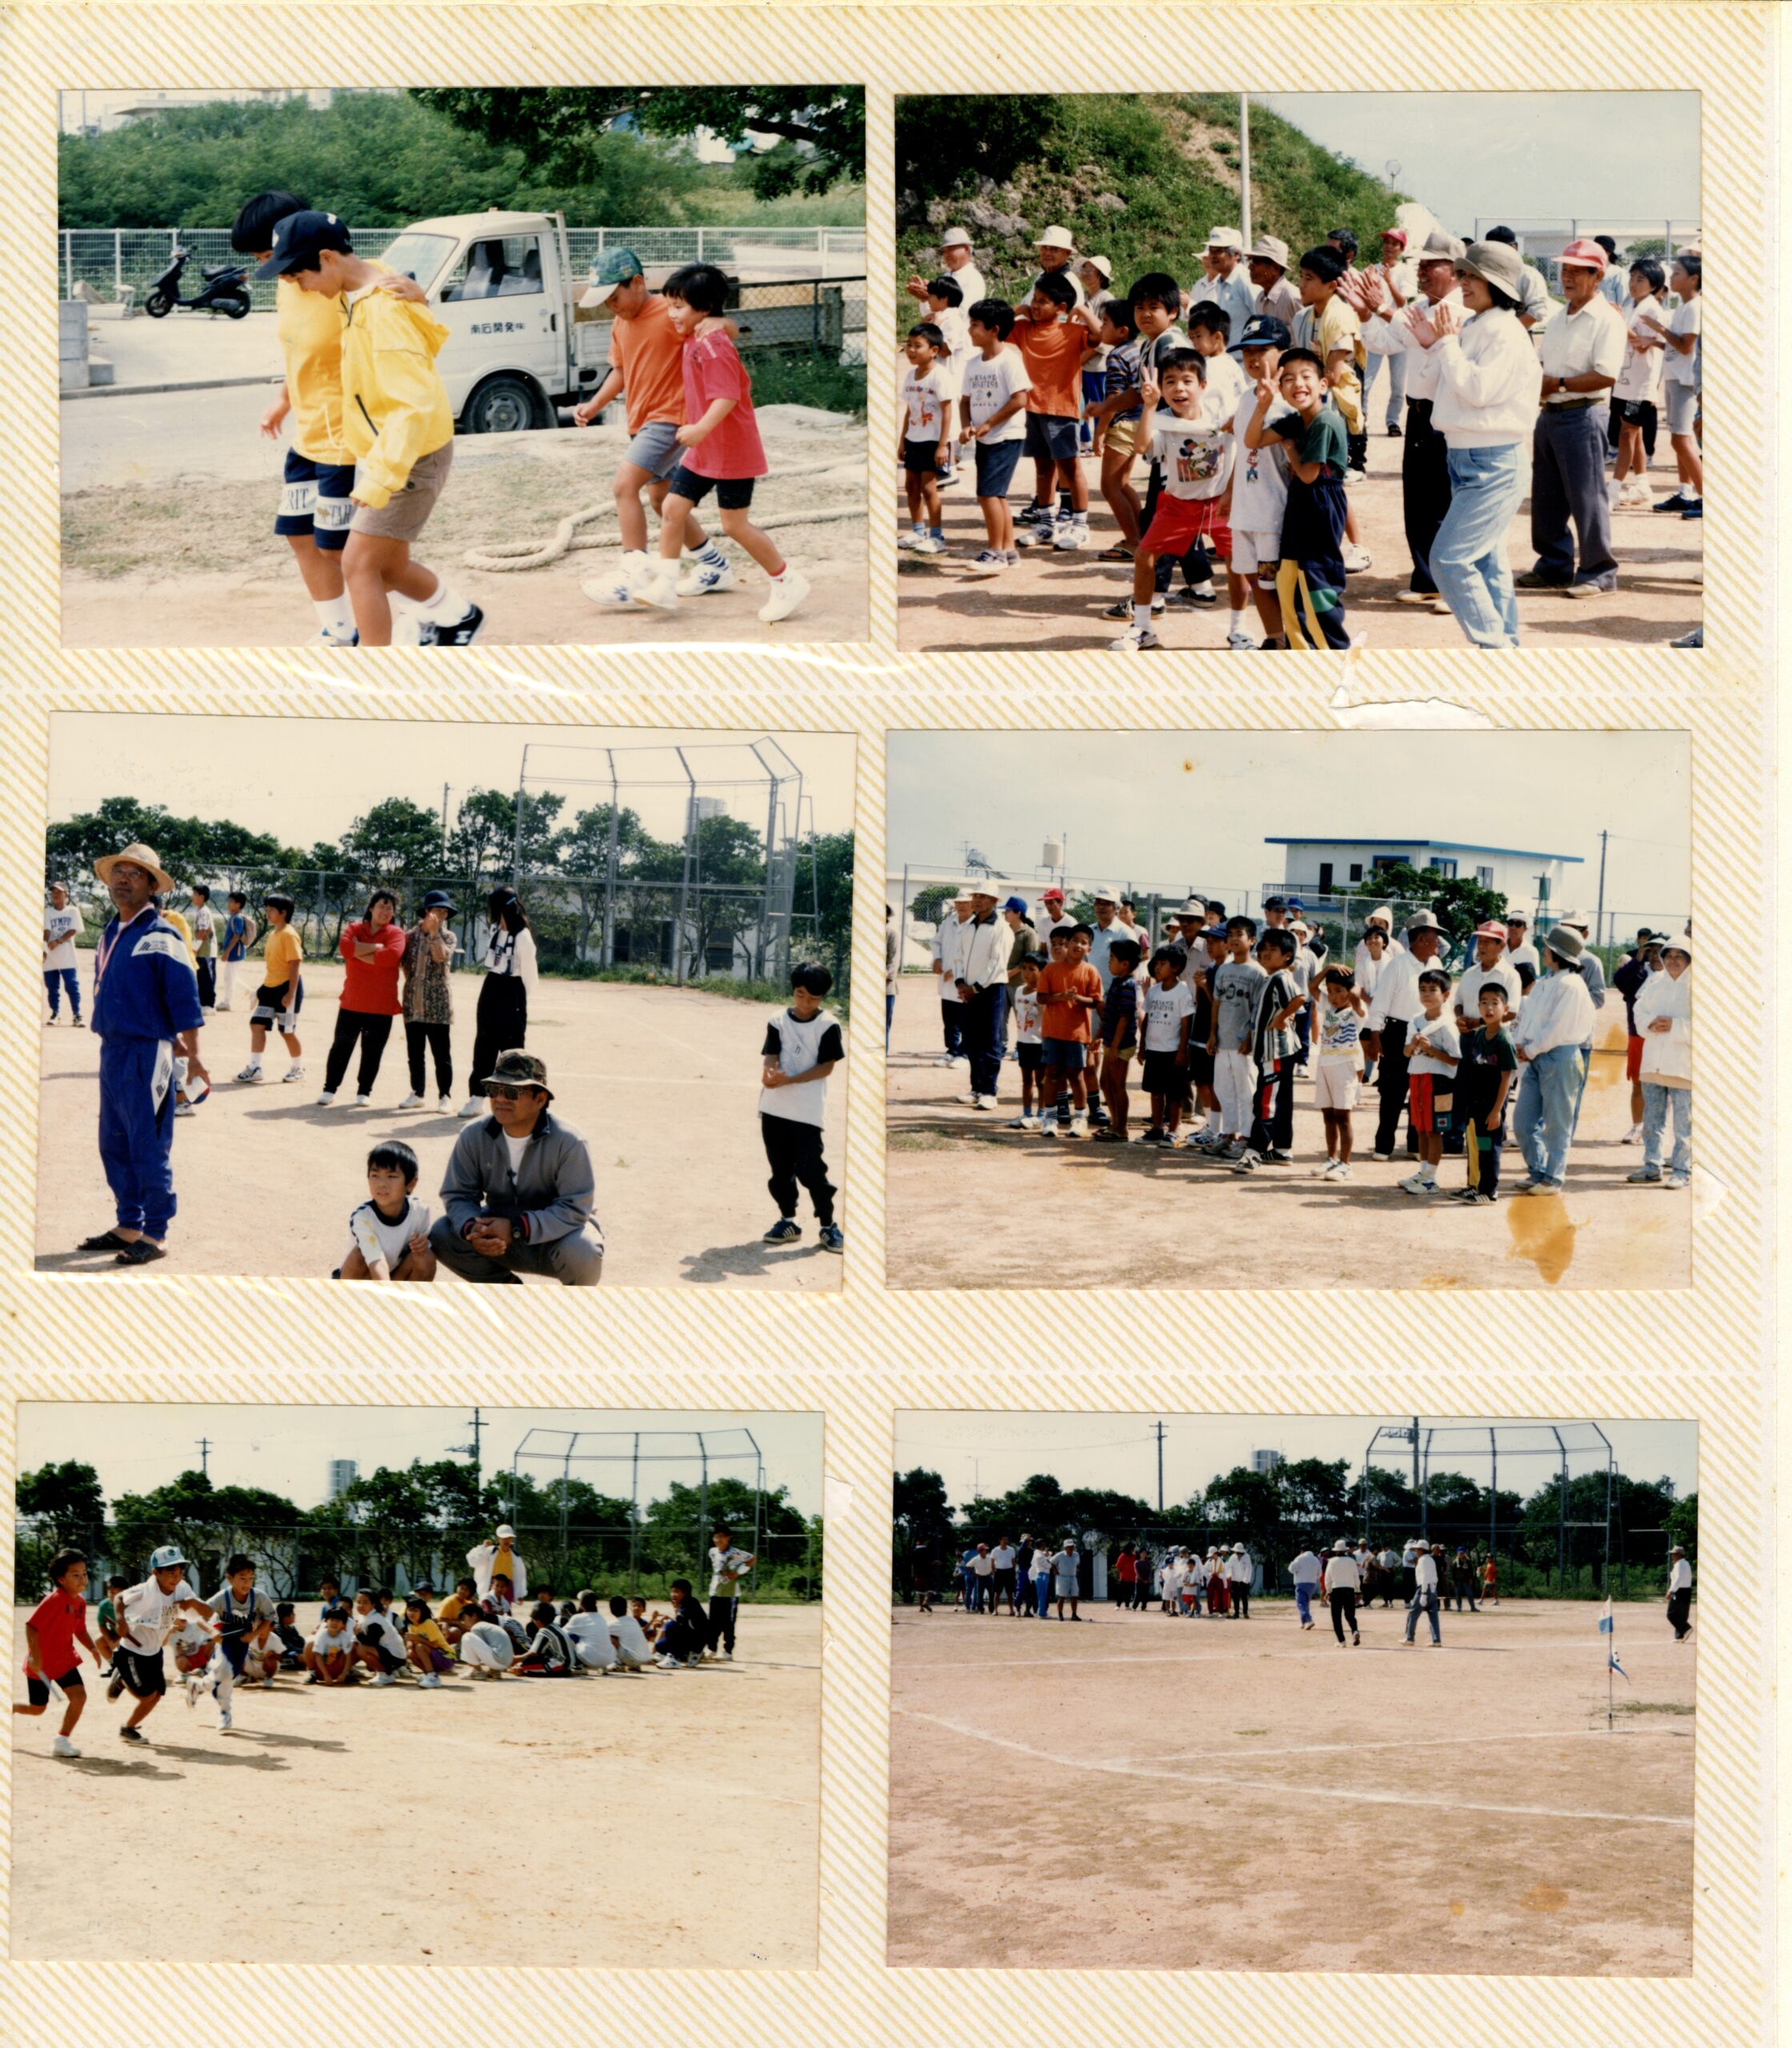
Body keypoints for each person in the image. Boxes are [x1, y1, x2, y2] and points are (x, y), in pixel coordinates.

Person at [258, 209, 482, 646]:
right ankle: (459, 618)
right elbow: (430, 338)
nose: (297, 287)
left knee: (357, 564)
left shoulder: (380, 310)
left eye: (297, 275)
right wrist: (417, 300)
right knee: (388, 567)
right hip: (395, 452)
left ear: (326, 258)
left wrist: (379, 477)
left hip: (411, 457)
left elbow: (412, 405)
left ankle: (377, 676)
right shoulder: (357, 294)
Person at [231, 188, 432, 645]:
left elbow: (407, 318)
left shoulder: (348, 277)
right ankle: (340, 630)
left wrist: (420, 297)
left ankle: (411, 618)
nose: (274, 272)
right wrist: (283, 399)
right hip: (308, 434)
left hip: (346, 436)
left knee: (345, 549)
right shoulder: (290, 286)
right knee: (299, 536)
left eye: (271, 256)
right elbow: (299, 349)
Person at [631, 262, 810, 622]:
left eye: (678, 306)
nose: (671, 314)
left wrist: (698, 429)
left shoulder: (712, 344)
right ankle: (666, 584)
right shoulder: (696, 336)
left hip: (731, 450)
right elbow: (728, 328)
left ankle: (787, 580)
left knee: (734, 525)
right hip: (704, 451)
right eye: (669, 305)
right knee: (671, 508)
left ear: (705, 306)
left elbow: (726, 397)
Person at [1401, 241, 1543, 650]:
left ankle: (1494, 650)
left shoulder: (1504, 330)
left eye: (1472, 276)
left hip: (1493, 460)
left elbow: (1477, 389)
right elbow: (1434, 384)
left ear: (1496, 285)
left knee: (1448, 560)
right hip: (1468, 458)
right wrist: (1434, 344)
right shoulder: (1477, 325)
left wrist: (1443, 344)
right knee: (1486, 562)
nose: (1463, 283)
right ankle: (1505, 650)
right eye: (1462, 274)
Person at [574, 246, 736, 604]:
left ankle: (633, 573)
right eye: (605, 302)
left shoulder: (671, 311)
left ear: (637, 283)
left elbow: (721, 330)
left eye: (614, 297)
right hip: (642, 419)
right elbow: (620, 370)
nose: (610, 307)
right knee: (663, 499)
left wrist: (723, 322)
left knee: (623, 485)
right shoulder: (620, 323)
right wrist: (594, 404)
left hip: (671, 418)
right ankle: (714, 565)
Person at [81, 842, 207, 1267]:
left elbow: (184, 999)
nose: (123, 878)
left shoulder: (162, 935)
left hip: (147, 1052)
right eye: (118, 871)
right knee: (113, 1142)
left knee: (147, 1144)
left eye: (135, 873)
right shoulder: (111, 933)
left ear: (153, 886)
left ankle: (155, 1233)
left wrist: (196, 1058)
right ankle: (127, 1223)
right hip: (112, 1050)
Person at [1341, 230, 1465, 603]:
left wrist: (1380, 308)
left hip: (1448, 414)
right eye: (1421, 265)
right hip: (1419, 412)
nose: (1423, 272)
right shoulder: (1422, 305)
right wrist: (1366, 313)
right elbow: (1386, 342)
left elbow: (1423, 335)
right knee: (1419, 497)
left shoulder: (1461, 305)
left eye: (1431, 265)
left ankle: (1450, 583)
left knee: (1445, 498)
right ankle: (1427, 578)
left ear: (1455, 270)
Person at [431, 1049, 603, 1282]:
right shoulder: (473, 1135)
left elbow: (575, 1209)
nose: (500, 1099)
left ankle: (574, 1312)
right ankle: (509, 1293)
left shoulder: (569, 1141)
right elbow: (458, 1194)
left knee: (584, 1249)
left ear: (540, 1099)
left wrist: (516, 1228)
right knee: (442, 1232)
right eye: (494, 1089)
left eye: (513, 1091)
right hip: (498, 1241)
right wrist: (474, 1228)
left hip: (554, 1241)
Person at [1519, 238, 1626, 598]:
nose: (1566, 277)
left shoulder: (1606, 320)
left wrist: (1558, 384)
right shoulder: (1559, 317)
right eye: (1564, 269)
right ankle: (1553, 565)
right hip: (1550, 415)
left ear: (1597, 276)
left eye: (1576, 271)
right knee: (1546, 496)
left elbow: (1606, 374)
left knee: (1587, 496)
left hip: (1583, 414)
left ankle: (1599, 571)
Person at [1110, 349, 1233, 653]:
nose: (1179, 388)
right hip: (1179, 503)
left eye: (1187, 380)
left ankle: (1240, 630)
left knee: (1240, 564)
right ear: (1162, 390)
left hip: (1221, 502)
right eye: (1170, 382)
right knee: (1144, 557)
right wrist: (1149, 407)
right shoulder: (1162, 419)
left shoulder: (1221, 415)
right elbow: (1141, 446)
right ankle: (1142, 627)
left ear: (1202, 386)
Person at [1246, 349, 1353, 650]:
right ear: (1281, 389)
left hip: (1321, 503)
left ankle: (1333, 653)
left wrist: (1290, 448)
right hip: (1300, 505)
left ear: (1323, 384)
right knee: (1289, 580)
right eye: (1289, 379)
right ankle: (1300, 653)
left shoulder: (1325, 421)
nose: (1298, 385)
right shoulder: (1295, 419)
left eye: (1306, 377)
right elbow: (1252, 441)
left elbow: (1308, 475)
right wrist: (1263, 406)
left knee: (1316, 581)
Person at [1010, 272, 1101, 552]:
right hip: (1032, 408)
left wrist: (1083, 309)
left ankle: (1080, 524)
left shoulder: (1072, 332)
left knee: (1071, 469)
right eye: (1034, 300)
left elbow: (1100, 335)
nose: (1035, 306)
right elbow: (998, 327)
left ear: (1061, 308)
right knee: (1042, 469)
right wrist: (1020, 310)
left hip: (1061, 410)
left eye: (1043, 301)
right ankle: (1046, 522)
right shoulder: (1024, 328)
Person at [759, 961, 846, 1251]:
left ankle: (828, 1225)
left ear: (823, 997)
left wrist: (791, 1080)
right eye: (800, 994)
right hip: (774, 1109)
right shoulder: (777, 1019)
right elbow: (771, 1055)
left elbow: (826, 1068)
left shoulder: (828, 1025)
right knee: (780, 1171)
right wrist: (769, 1074)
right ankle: (788, 1221)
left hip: (807, 1111)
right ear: (793, 990)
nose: (805, 1003)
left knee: (812, 1171)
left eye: (813, 998)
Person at [1510, 924, 1598, 1194]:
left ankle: (1554, 1177)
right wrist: (1521, 1045)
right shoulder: (1546, 981)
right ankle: (1538, 1172)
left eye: (1547, 946)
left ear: (1557, 953)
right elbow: (1530, 1019)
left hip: (1560, 1058)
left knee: (1557, 1123)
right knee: (1523, 1122)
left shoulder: (1571, 985)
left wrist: (1531, 1049)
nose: (1543, 950)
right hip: (1536, 1057)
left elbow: (1558, 1029)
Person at [1364, 910, 1447, 1159]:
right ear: (1421, 939)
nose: (1439, 944)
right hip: (1397, 1032)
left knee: (1422, 1092)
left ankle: (1414, 1145)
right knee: (1392, 1091)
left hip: (1428, 1032)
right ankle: (1383, 1146)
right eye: (1435, 937)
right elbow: (1380, 1003)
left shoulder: (1436, 964)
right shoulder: (1397, 965)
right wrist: (1375, 1036)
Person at [114, 1546, 216, 1743]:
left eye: (179, 1572)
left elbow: (209, 1612)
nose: (175, 1577)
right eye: (170, 1572)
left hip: (154, 1651)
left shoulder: (183, 1590)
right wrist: (120, 1620)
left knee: (157, 1695)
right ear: (156, 1572)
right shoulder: (146, 1590)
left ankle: (128, 1728)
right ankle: (120, 1679)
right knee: (146, 1695)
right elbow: (119, 1598)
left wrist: (193, 1602)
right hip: (132, 1651)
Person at [317, 887, 406, 1106]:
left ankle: (364, 1091)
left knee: (372, 1051)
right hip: (352, 1003)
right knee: (341, 1047)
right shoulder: (355, 928)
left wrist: (360, 952)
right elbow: (346, 948)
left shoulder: (396, 933)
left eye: (390, 908)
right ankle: (330, 1089)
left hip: (381, 1007)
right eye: (381, 906)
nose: (385, 911)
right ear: (371, 908)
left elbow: (391, 957)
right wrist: (376, 948)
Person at [14, 1548, 100, 1758]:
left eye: (84, 1573)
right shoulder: (54, 1600)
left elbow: (79, 1630)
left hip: (64, 1660)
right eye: (75, 1575)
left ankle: (62, 1740)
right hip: (40, 1664)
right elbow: (31, 1626)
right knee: (38, 1709)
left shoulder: (79, 1602)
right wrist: (35, 1655)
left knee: (79, 1697)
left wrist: (93, 1648)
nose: (82, 1579)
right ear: (61, 1579)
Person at [460, 888, 536, 1117]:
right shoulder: (494, 930)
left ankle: (515, 1096)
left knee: (512, 1047)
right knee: (484, 1043)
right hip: (492, 985)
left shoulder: (523, 936)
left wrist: (519, 1002)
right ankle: (477, 1097)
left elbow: (530, 976)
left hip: (513, 990)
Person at [1233, 929, 1302, 1173]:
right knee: (1280, 1100)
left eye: (1272, 950)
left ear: (1287, 955)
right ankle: (1282, 1149)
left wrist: (1283, 1018)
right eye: (1263, 949)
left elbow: (1298, 1000)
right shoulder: (1269, 978)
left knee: (1265, 1101)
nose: (1265, 954)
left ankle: (1254, 1152)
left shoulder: (1280, 978)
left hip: (1277, 1052)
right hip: (1273, 1051)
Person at [1628, 931, 1692, 1190]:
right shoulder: (1655, 984)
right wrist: (1649, 1024)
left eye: (1680, 956)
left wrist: (1676, 1026)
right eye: (1669, 955)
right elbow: (1638, 1012)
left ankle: (1681, 1170)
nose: (1674, 960)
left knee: (1683, 1125)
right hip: (1653, 1064)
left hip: (1683, 1067)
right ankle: (1652, 1166)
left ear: (1690, 959)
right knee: (1652, 1121)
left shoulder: (1701, 987)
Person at [1641, 253, 1702, 515]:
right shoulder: (1683, 307)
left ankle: (1704, 495)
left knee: (1680, 440)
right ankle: (1685, 492)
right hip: (1676, 377)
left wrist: (1659, 329)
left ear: (1693, 279)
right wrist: (1653, 341)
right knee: (1680, 439)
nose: (1672, 277)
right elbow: (1677, 345)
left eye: (1677, 273)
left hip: (1686, 381)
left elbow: (1687, 347)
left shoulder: (1695, 307)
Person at [1453, 982, 1518, 1204]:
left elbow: (1506, 1077)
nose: (1489, 1008)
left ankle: (1489, 1191)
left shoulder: (1504, 1040)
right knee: (1474, 1145)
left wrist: (1496, 1111)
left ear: (1505, 1009)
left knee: (1489, 1148)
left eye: (1495, 1003)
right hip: (1475, 1104)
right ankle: (1474, 1185)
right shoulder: (1480, 1034)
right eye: (1484, 1003)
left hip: (1492, 1106)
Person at [1398, 967, 1461, 1197]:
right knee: (1420, 1128)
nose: (1426, 994)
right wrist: (1414, 1044)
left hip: (1439, 1082)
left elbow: (1455, 1059)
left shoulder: (1447, 1025)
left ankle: (1431, 1178)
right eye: (1422, 989)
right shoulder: (1415, 1022)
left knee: (1434, 1130)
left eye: (1432, 990)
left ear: (1445, 994)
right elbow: (1405, 1053)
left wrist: (1430, 1049)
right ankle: (1423, 1172)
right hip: (1417, 1077)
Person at [1035, 926, 1103, 1138]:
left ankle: (1080, 1118)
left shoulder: (1090, 971)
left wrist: (1078, 999)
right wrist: (1061, 997)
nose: (1078, 945)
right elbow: (1041, 997)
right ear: (1068, 943)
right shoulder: (1051, 969)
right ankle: (1051, 1117)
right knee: (1052, 1074)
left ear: (1089, 949)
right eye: (1075, 940)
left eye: (1084, 942)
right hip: (1052, 1032)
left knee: (1076, 1076)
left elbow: (1095, 1001)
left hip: (1077, 1034)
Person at [338, 1137, 434, 1282]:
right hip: (366, 1278)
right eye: (375, 1175)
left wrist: (423, 1242)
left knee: (425, 1256)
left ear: (411, 1184)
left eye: (391, 1176)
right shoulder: (363, 1217)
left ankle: (407, 1302)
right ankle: (352, 1301)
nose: (381, 1184)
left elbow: (421, 1251)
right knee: (360, 1255)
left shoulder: (420, 1211)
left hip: (395, 1276)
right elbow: (376, 1260)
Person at [897, 321, 954, 555]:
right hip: (913, 439)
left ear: (934, 351)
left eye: (917, 346)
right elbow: (910, 409)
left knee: (929, 489)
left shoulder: (940, 376)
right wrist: (902, 440)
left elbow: (948, 412)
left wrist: (942, 446)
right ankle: (918, 530)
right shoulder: (911, 376)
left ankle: (937, 536)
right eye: (909, 345)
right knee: (911, 486)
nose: (911, 350)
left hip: (932, 441)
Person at [954, 886, 1013, 1112]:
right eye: (975, 896)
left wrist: (975, 987)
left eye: (983, 897)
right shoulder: (968, 927)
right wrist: (960, 983)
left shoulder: (1001, 928)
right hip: (968, 990)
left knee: (990, 1041)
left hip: (990, 990)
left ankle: (989, 1091)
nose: (977, 900)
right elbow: (958, 957)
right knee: (972, 1039)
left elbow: (997, 963)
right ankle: (976, 1087)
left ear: (993, 900)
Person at [399, 890, 458, 1110]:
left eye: (444, 911)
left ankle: (445, 1095)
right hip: (413, 1002)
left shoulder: (449, 936)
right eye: (437, 910)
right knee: (415, 1052)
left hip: (438, 1004)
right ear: (426, 911)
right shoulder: (409, 936)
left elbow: (441, 956)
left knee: (441, 1053)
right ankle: (418, 1092)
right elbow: (403, 965)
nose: (441, 914)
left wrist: (434, 933)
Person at [238, 891, 305, 1086]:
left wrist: (290, 994)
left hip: (286, 990)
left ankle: (298, 1068)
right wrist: (260, 991)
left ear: (283, 912)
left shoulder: (289, 934)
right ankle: (255, 1068)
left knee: (287, 1031)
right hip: (270, 989)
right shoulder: (273, 934)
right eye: (266, 909)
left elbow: (295, 965)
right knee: (257, 1024)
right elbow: (273, 967)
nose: (267, 913)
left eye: (271, 910)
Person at [1312, 965, 1367, 1181]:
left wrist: (1352, 984)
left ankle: (1346, 1164)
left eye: (1339, 991)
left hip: (1345, 1066)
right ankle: (1331, 1158)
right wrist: (1327, 968)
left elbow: (1356, 995)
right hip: (1325, 1064)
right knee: (1328, 1116)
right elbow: (1312, 986)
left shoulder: (1356, 1010)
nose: (1333, 996)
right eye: (1331, 990)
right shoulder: (1328, 1007)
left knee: (1343, 1117)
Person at [906, 227, 986, 315]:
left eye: (951, 249)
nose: (946, 255)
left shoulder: (973, 278)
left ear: (966, 249)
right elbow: (927, 314)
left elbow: (963, 315)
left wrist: (930, 297)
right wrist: (924, 299)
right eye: (944, 251)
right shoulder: (945, 277)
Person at [706, 1526, 758, 1660]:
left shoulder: (735, 1552)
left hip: (730, 1594)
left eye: (721, 1537)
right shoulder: (712, 1552)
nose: (718, 1540)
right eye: (715, 1537)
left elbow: (752, 1559)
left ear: (728, 1538)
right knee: (713, 1622)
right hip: (715, 1591)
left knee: (728, 1623)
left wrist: (737, 1573)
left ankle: (727, 1651)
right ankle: (712, 1649)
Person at [42, 882, 83, 1026]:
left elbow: (74, 929)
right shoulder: (47, 912)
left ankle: (77, 1015)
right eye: (53, 892)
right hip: (51, 956)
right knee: (52, 987)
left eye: (59, 892)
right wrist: (44, 948)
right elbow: (46, 931)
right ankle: (55, 1013)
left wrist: (58, 941)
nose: (55, 894)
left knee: (72, 985)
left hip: (67, 955)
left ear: (66, 895)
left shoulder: (73, 911)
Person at [1247, 235, 1301, 330]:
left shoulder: (1293, 298)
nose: (1250, 267)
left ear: (1275, 269)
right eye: (1251, 261)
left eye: (1256, 262)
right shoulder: (1260, 299)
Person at [652, 1580, 710, 1669]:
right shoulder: (683, 1603)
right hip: (690, 1637)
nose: (673, 1594)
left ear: (685, 1593)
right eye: (672, 1591)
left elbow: (679, 1620)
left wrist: (666, 1617)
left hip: (697, 1640)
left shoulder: (691, 1603)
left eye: (676, 1592)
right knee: (660, 1645)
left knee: (670, 1626)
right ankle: (684, 1656)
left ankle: (674, 1658)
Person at [216, 892, 254, 1011]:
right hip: (234, 952)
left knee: (229, 977)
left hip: (235, 952)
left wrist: (227, 952)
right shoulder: (233, 917)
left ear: (238, 904)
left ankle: (227, 1002)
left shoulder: (237, 918)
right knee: (229, 977)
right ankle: (250, 993)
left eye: (231, 901)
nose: (229, 903)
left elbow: (237, 935)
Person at [186, 884, 218, 1011]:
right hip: (202, 951)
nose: (192, 897)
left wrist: (194, 948)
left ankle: (209, 1005)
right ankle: (203, 1003)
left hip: (207, 951)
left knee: (207, 977)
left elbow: (203, 930)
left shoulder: (204, 911)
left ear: (202, 897)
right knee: (202, 976)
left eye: (194, 894)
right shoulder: (199, 910)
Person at [1323, 1538, 1361, 1646]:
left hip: (1336, 1590)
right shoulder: (1352, 1561)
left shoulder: (1332, 1562)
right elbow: (1356, 1578)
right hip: (1349, 1590)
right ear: (1345, 1550)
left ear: (1336, 1551)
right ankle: (1355, 1631)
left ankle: (1342, 1641)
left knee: (1336, 1617)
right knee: (1350, 1615)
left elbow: (1328, 1579)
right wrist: (1358, 1591)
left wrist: (1328, 1591)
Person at [1403, 1543, 1442, 1646]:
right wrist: (1433, 1589)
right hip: (1433, 1589)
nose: (1415, 1551)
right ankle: (1436, 1640)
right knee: (1433, 1616)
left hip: (1423, 1589)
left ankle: (1409, 1638)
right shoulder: (1431, 1560)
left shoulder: (1422, 1560)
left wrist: (1424, 1593)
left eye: (1416, 1549)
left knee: (1413, 1614)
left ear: (1421, 1550)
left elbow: (1424, 1577)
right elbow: (1435, 1577)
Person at [1287, 1545, 1322, 1630]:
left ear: (1302, 1551)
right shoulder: (1315, 1559)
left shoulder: (1300, 1558)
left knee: (1301, 1603)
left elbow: (1291, 1569)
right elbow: (1319, 1573)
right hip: (1312, 1584)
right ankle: (1303, 1622)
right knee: (1306, 1604)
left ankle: (1309, 1620)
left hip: (1301, 1582)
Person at [1665, 1546, 1694, 1642]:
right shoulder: (1685, 1563)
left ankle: (1686, 1629)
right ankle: (1679, 1636)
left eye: (1674, 1554)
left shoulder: (1680, 1565)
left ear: (1679, 1555)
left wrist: (1671, 1591)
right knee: (1681, 1614)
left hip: (1679, 1591)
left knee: (1671, 1614)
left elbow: (1678, 1579)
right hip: (1686, 1591)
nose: (1672, 1556)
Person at [1052, 1539, 1082, 1621]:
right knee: (1061, 1597)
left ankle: (1074, 1615)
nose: (1071, 1548)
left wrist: (1076, 1568)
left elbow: (1077, 1563)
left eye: (1072, 1546)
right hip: (1062, 1577)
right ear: (1065, 1547)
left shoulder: (1076, 1555)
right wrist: (1055, 1570)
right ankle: (1060, 1614)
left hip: (1073, 1577)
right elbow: (1051, 1561)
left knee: (1074, 1597)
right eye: (1069, 1547)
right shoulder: (1060, 1555)